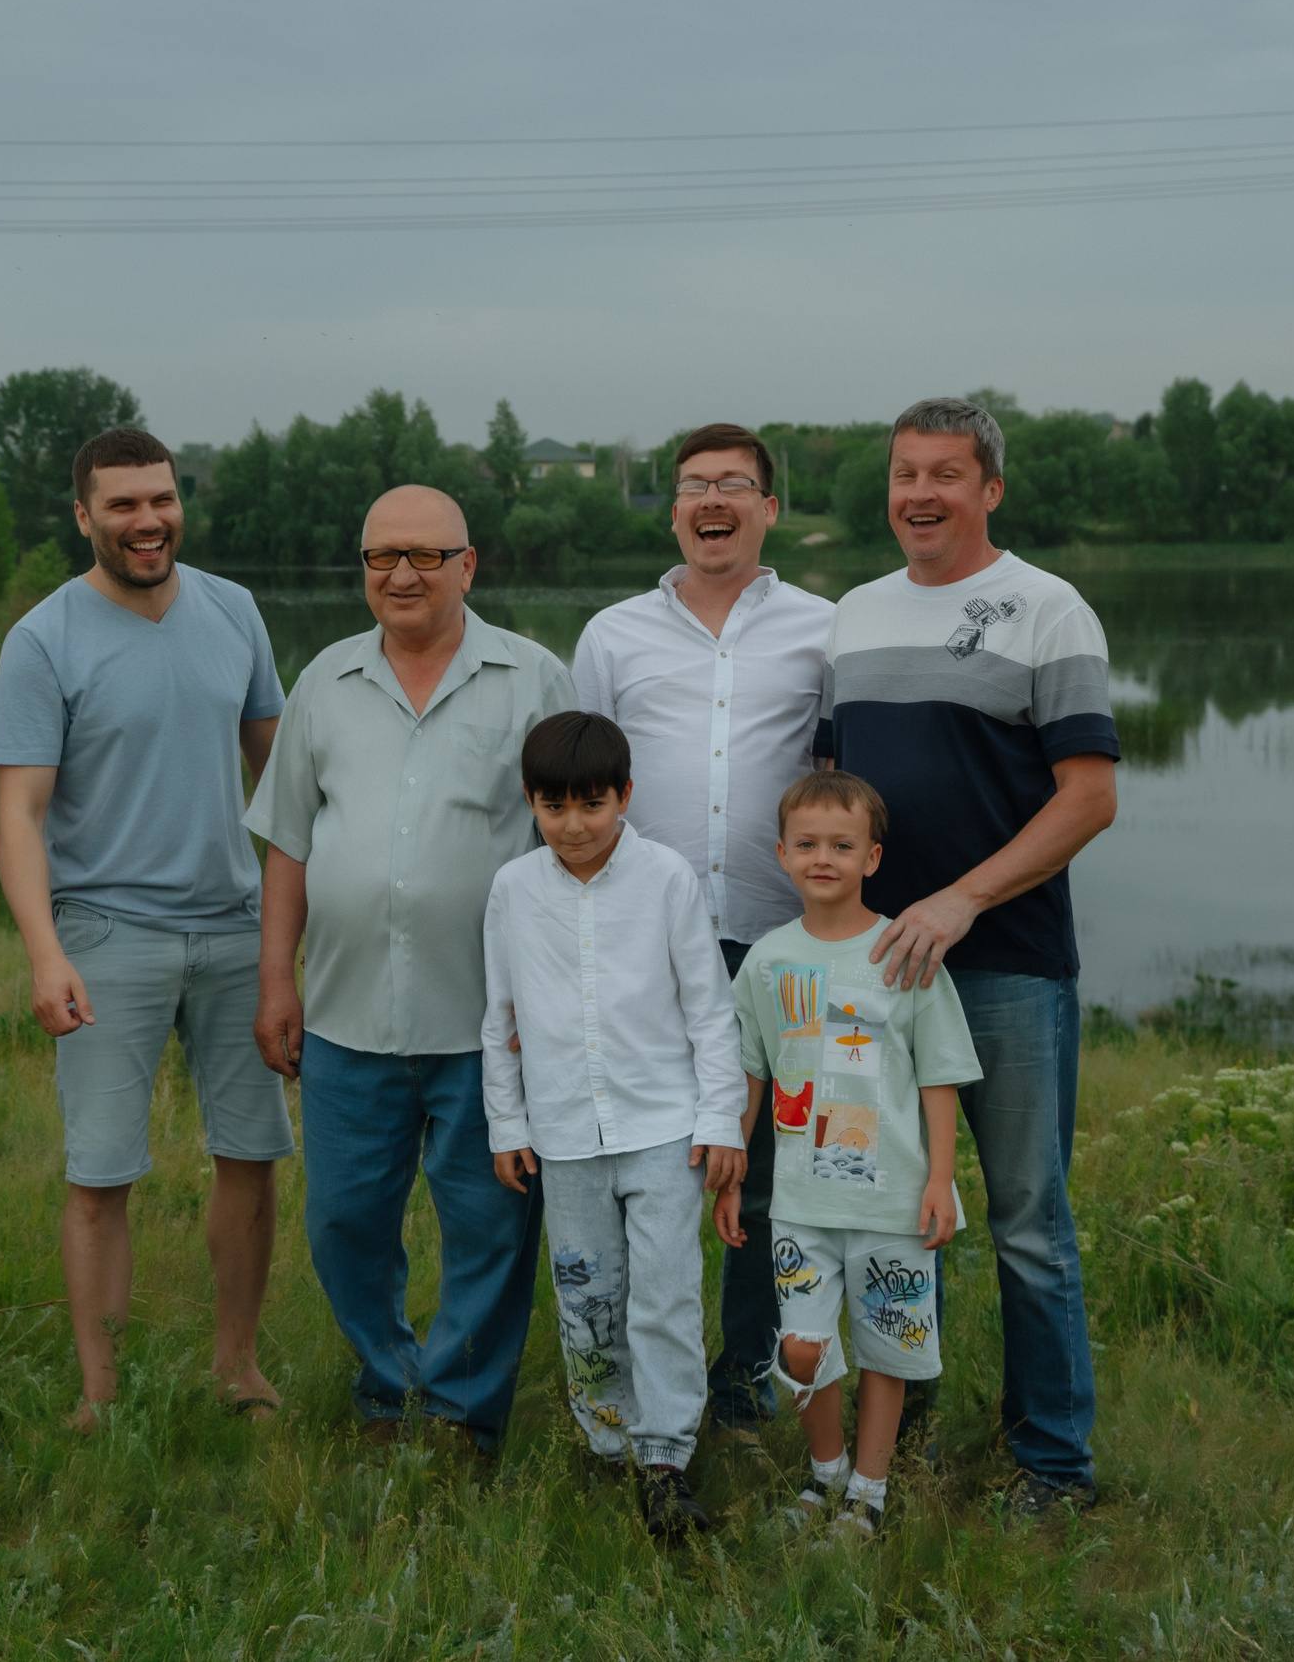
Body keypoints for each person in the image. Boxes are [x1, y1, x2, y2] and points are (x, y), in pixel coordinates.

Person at [821, 397, 1120, 1518]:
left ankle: (1053, 1465)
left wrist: (961, 898)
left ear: (990, 489)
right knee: (900, 1210)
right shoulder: (849, 617)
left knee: (1028, 1221)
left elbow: (1087, 797)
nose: (921, 495)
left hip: (1008, 968)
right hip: (877, 976)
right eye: (905, 473)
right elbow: (831, 795)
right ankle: (910, 1425)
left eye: (946, 474)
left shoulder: (1049, 609)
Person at [247, 484, 577, 1453]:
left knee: (491, 1231)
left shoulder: (533, 679)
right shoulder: (324, 682)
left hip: (491, 1027)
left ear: (466, 566)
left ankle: (464, 1414)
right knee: (345, 1222)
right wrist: (277, 979)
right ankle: (389, 1385)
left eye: (424, 556)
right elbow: (288, 845)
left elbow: (578, 845)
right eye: (381, 556)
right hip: (347, 1018)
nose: (400, 574)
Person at [0, 426, 290, 1431]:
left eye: (159, 499)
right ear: (83, 516)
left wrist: (296, 929)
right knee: (100, 1169)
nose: (146, 520)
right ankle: (100, 1392)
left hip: (236, 930)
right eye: (121, 505)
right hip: (105, 932)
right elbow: (19, 812)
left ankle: (238, 1368)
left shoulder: (233, 611)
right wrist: (43, 952)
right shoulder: (44, 638)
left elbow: (279, 781)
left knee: (250, 1155)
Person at [570, 420, 832, 1444]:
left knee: (764, 1182)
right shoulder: (612, 634)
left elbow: (838, 782)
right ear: (672, 509)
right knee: (651, 1169)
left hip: (776, 942)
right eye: (691, 486)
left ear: (768, 507)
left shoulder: (823, 628)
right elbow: (577, 794)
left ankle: (743, 1378)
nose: (710, 501)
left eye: (733, 484)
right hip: (647, 946)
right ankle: (636, 1380)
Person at [480, 712, 746, 1536]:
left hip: (665, 1125)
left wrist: (722, 1119)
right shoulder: (513, 890)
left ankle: (665, 1458)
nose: (574, 825)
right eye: (553, 807)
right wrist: (506, 1123)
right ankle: (608, 1442)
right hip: (563, 1133)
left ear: (625, 795)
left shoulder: (666, 878)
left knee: (663, 1291)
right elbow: (499, 1017)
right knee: (588, 1291)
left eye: (593, 804)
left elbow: (709, 1011)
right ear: (531, 803)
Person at [719, 771, 981, 1537]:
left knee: (888, 1349)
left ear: (872, 855)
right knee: (801, 1346)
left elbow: (939, 1075)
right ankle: (823, 1473)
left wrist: (940, 1177)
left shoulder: (902, 950)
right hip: (801, 1201)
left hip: (892, 1200)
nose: (822, 857)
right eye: (806, 843)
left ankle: (868, 1491)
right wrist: (732, 1169)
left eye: (841, 844)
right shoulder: (766, 962)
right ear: (780, 853)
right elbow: (750, 1077)